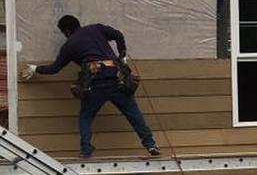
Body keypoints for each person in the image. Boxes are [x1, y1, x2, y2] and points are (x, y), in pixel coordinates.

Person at [20, 15, 160, 159]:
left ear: (67, 31)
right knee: (133, 114)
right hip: (117, 80)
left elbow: (54, 68)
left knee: (86, 117)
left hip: (94, 84)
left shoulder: (69, 45)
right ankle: (150, 144)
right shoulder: (96, 28)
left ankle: (86, 149)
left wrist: (35, 68)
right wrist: (122, 54)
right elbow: (118, 35)